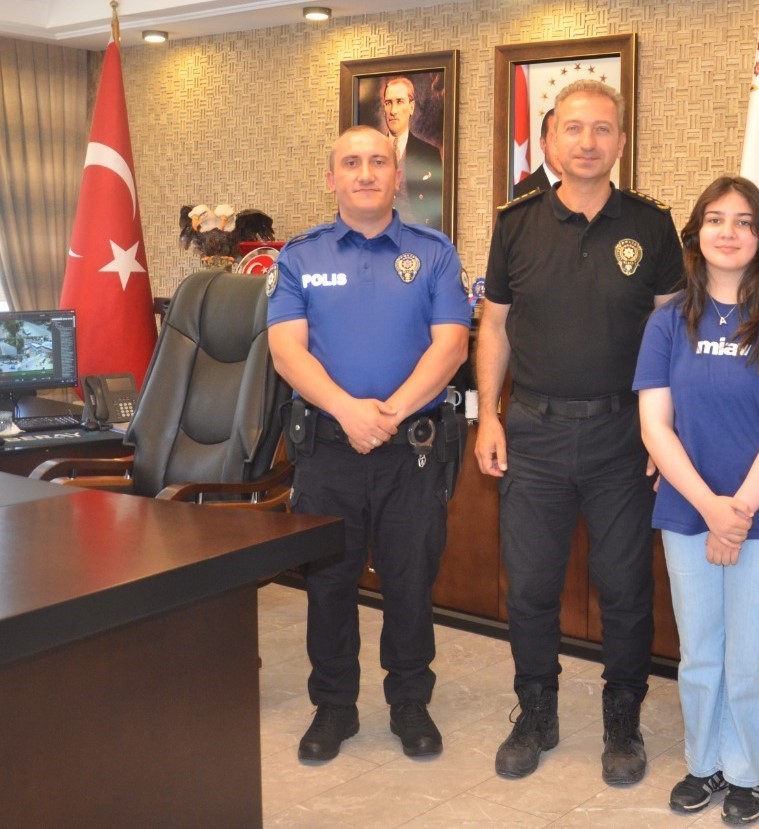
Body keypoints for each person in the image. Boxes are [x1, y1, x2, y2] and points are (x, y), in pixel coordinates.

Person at [475, 79, 683, 785]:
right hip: (532, 433)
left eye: (601, 129)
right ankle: (536, 712)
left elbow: (672, 333)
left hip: (624, 435)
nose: (587, 142)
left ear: (621, 141)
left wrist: (664, 429)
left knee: (625, 588)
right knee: (530, 588)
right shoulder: (516, 223)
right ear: (549, 140)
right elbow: (495, 326)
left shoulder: (652, 226)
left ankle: (623, 720)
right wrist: (488, 415)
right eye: (573, 128)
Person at [267, 125, 471, 762]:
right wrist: (347, 411)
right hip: (328, 449)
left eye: (378, 162)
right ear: (331, 179)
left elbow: (451, 346)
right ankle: (334, 707)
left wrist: (387, 415)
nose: (365, 173)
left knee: (410, 580)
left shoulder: (434, 253)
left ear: (396, 176)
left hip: (412, 450)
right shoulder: (299, 256)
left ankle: (410, 702)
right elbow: (286, 351)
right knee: (329, 583)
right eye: (351, 163)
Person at [633, 176, 759, 825]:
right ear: (696, 234)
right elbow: (655, 426)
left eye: (743, 222)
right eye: (715, 219)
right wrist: (711, 508)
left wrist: (735, 512)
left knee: (755, 652)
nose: (728, 232)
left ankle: (746, 770)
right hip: (688, 511)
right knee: (701, 650)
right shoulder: (667, 321)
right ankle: (703, 761)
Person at [381, 76, 443, 230]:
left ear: (411, 107)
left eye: (400, 102)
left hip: (415, 237)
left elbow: (435, 214)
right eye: (388, 103)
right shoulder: (370, 153)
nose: (393, 111)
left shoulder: (429, 154)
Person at [513, 108, 560, 197]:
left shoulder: (587, 189)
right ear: (543, 144)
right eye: (555, 139)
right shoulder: (519, 195)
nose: (562, 147)